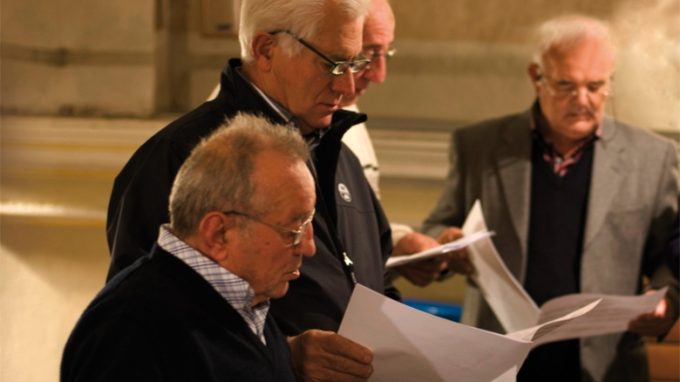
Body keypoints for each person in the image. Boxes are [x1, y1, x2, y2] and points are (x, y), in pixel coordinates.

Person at [105, 0, 435, 380]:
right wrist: (285, 356)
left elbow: (374, 281)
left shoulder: (339, 154)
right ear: (266, 50)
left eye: (353, 64)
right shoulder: (180, 160)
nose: (346, 86)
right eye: (333, 64)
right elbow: (140, 329)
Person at [422, 15, 679, 382]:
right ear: (536, 76)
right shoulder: (478, 145)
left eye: (596, 86)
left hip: (604, 364)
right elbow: (439, 225)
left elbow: (671, 253)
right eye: (566, 85)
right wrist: (445, 244)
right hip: (500, 357)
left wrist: (668, 300)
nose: (583, 100)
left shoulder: (654, 157)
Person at [62, 114, 315, 381]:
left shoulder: (248, 302)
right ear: (218, 233)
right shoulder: (129, 328)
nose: (309, 247)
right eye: (294, 229)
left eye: (309, 221)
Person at [340, 0, 446, 286]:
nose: (379, 75)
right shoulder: (245, 130)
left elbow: (355, 219)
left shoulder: (344, 107)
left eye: (386, 54)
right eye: (368, 53)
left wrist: (398, 242)